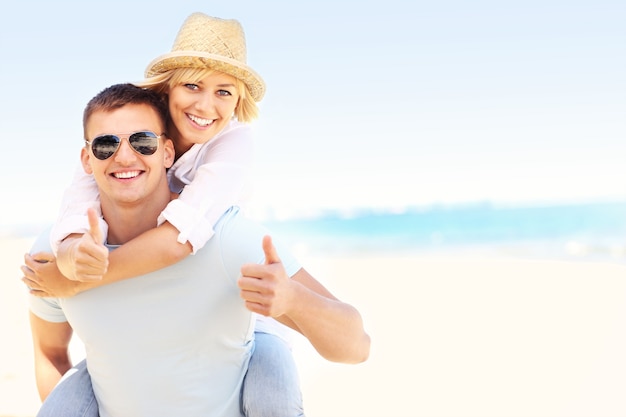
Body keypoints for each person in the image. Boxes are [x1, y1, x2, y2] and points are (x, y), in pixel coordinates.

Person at [22, 12, 338, 417]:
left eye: (225, 92)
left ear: (239, 101)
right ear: (166, 89)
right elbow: (77, 205)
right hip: (155, 322)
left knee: (272, 394)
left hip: (242, 316)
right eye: (192, 85)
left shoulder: (232, 144)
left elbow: (180, 237)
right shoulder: (123, 128)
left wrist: (74, 282)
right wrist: (68, 256)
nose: (206, 105)